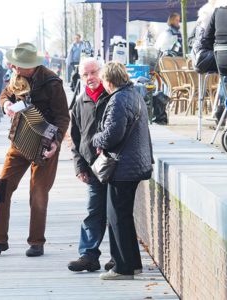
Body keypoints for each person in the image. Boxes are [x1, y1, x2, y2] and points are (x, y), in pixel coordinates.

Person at [0, 42, 70, 258]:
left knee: (38, 194)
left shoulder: (52, 82)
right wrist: (5, 105)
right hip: (19, 142)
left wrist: (56, 142)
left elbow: (62, 116)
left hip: (44, 146)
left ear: (31, 66)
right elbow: (4, 95)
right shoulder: (16, 79)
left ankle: (36, 243)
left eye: (18, 65)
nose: (14, 68)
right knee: (2, 187)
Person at [92, 62, 153, 280]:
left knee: (116, 216)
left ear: (108, 82)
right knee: (124, 216)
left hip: (122, 167)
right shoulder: (134, 94)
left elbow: (112, 135)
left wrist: (95, 139)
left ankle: (123, 268)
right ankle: (133, 263)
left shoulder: (117, 100)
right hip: (135, 163)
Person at [67, 58, 109, 272]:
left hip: (114, 165)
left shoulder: (111, 96)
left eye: (94, 72)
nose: (90, 77)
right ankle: (88, 255)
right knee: (93, 212)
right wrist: (79, 166)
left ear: (101, 72)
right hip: (92, 167)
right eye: (86, 74)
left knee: (116, 214)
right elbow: (74, 138)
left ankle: (119, 258)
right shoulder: (80, 101)